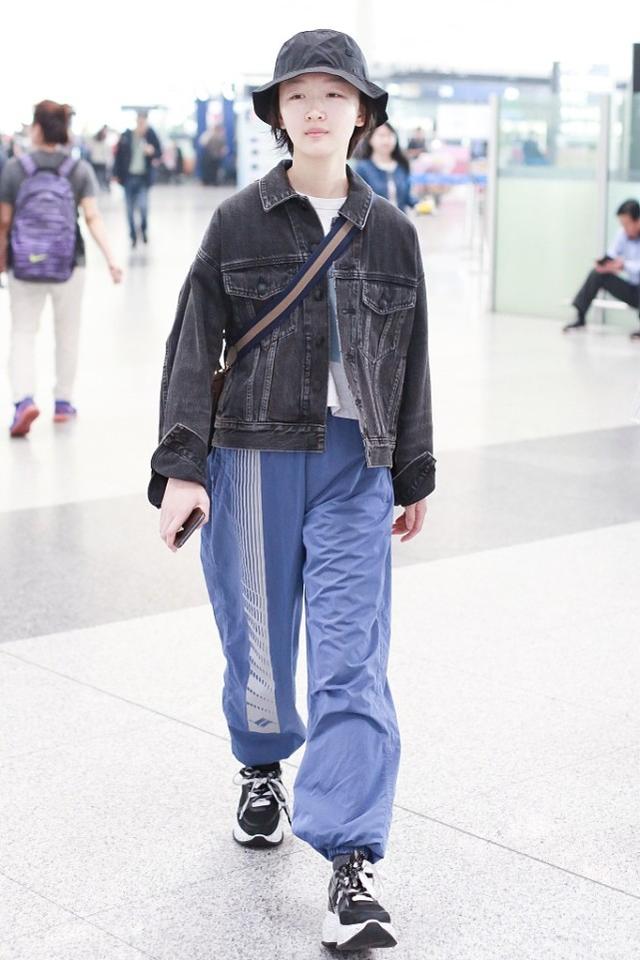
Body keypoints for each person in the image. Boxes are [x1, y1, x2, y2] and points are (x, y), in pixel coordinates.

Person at [149, 29, 434, 952]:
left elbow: (412, 360)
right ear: (277, 112)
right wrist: (182, 468)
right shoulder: (237, 222)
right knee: (261, 651)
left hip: (356, 467)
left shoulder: (393, 231)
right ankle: (262, 765)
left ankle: (351, 862)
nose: (316, 109)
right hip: (251, 459)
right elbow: (192, 345)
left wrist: (413, 469)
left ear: (363, 114)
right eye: (299, 95)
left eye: (335, 94)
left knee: (353, 658)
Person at [0, 100, 122, 438]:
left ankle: (24, 401)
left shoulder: (15, 168)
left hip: (24, 264)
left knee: (23, 332)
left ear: (37, 128)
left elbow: (4, 221)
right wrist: (111, 259)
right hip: (69, 264)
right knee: (67, 332)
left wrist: (2, 259)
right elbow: (92, 217)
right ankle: (63, 403)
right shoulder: (77, 169)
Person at [564, 199, 640, 338]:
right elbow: (612, 253)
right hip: (632, 290)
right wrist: (604, 263)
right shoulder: (623, 233)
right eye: (622, 224)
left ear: (638, 221)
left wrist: (623, 265)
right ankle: (580, 317)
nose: (624, 228)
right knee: (597, 274)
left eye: (627, 224)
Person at [113, 110, 161, 247]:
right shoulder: (126, 136)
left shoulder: (150, 135)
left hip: (143, 179)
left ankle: (143, 230)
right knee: (129, 210)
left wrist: (152, 152)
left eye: (144, 123)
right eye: (140, 122)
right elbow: (118, 156)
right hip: (128, 178)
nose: (142, 126)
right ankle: (133, 236)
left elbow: (159, 152)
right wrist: (116, 174)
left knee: (144, 207)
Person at [355, 122, 416, 214]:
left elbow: (406, 197)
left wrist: (419, 204)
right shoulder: (363, 168)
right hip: (374, 220)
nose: (386, 140)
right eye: (381, 135)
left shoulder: (402, 165)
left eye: (390, 135)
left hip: (400, 220)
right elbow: (359, 201)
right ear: (370, 139)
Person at [88, 125, 112, 191]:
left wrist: (108, 164)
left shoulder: (106, 143)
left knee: (102, 178)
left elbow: (108, 155)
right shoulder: (94, 141)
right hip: (95, 162)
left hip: (102, 163)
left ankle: (100, 189)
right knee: (95, 178)